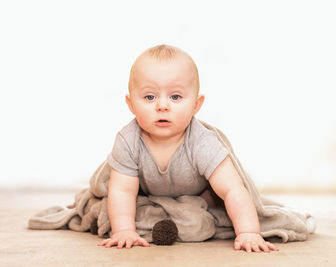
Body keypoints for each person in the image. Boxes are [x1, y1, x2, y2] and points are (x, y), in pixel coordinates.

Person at [98, 44, 279, 253]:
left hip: (199, 193)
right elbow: (122, 190)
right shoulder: (128, 140)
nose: (163, 106)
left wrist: (249, 232)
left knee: (219, 203)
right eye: (150, 97)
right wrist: (123, 230)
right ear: (130, 104)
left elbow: (232, 189)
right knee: (111, 199)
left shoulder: (203, 142)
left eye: (175, 97)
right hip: (147, 191)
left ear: (196, 104)